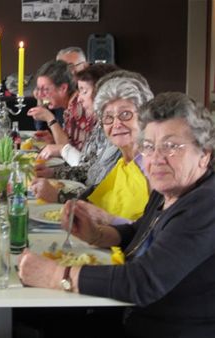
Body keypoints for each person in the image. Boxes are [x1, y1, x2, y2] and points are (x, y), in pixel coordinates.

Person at [19, 92, 215, 337]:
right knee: (24, 310)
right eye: (149, 147)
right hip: (127, 312)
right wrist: (98, 234)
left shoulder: (205, 205)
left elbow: (143, 281)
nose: (156, 159)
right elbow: (140, 230)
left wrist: (55, 275)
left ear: (204, 154)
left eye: (171, 146)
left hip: (161, 327)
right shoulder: (171, 188)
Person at [33, 76, 153, 223]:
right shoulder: (124, 164)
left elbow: (149, 232)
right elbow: (96, 200)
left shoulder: (152, 168)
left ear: (144, 117)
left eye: (125, 114)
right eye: (108, 117)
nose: (116, 124)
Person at [28, 59, 94, 153]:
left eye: (45, 89)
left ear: (63, 88)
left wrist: (50, 118)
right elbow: (71, 145)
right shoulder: (70, 105)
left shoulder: (79, 107)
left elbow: (67, 152)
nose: (40, 95)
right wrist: (53, 140)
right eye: (39, 89)